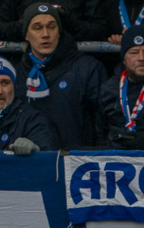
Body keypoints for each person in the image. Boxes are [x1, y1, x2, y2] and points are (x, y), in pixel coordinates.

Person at [17, 3, 106, 150]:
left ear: (59, 32)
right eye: (37, 28)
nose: (45, 34)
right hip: (31, 161)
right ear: (26, 34)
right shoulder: (16, 73)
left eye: (52, 27)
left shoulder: (87, 68)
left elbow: (102, 124)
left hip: (74, 160)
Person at [0, 0, 106, 41]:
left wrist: (71, 23)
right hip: (25, 58)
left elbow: (100, 30)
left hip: (72, 59)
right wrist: (25, 25)